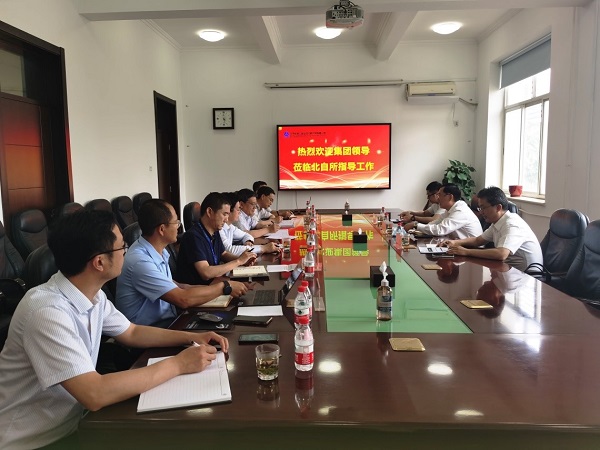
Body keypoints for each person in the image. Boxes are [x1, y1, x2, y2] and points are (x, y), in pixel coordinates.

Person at [0, 210, 229, 449]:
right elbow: (94, 394)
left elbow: (131, 332)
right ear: (99, 262)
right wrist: (179, 364)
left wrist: (191, 337)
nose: (126, 252)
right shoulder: (46, 311)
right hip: (31, 441)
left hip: (74, 424)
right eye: (122, 247)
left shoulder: (93, 294)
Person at [116, 199, 248, 327]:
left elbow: (180, 287)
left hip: (171, 320)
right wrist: (224, 287)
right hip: (151, 332)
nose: (179, 228)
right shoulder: (140, 261)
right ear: (162, 229)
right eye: (176, 223)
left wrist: (222, 290)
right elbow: (183, 299)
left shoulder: (160, 251)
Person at [441, 186, 543, 271]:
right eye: (480, 208)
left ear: (498, 207)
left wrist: (466, 252)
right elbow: (478, 240)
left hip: (526, 276)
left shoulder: (512, 224)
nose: (481, 212)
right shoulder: (497, 222)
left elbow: (501, 254)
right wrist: (455, 243)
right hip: (508, 269)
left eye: (483, 208)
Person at [177, 192, 257, 285]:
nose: (226, 219)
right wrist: (238, 261)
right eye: (224, 214)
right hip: (197, 289)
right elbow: (206, 273)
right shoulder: (193, 236)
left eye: (228, 215)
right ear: (209, 212)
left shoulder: (215, 231)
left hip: (214, 282)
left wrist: (243, 261)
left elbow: (223, 254)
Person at [403, 183, 483, 239]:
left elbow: (440, 230)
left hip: (472, 250)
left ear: (450, 197)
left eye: (439, 195)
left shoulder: (460, 211)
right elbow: (436, 223)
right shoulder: (450, 209)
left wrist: (416, 225)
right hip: (459, 245)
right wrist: (416, 228)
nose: (437, 198)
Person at [221, 192, 279, 256]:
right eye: (238, 209)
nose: (240, 212)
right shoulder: (220, 228)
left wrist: (248, 241)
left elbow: (246, 235)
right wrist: (263, 248)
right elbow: (228, 250)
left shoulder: (230, 226)